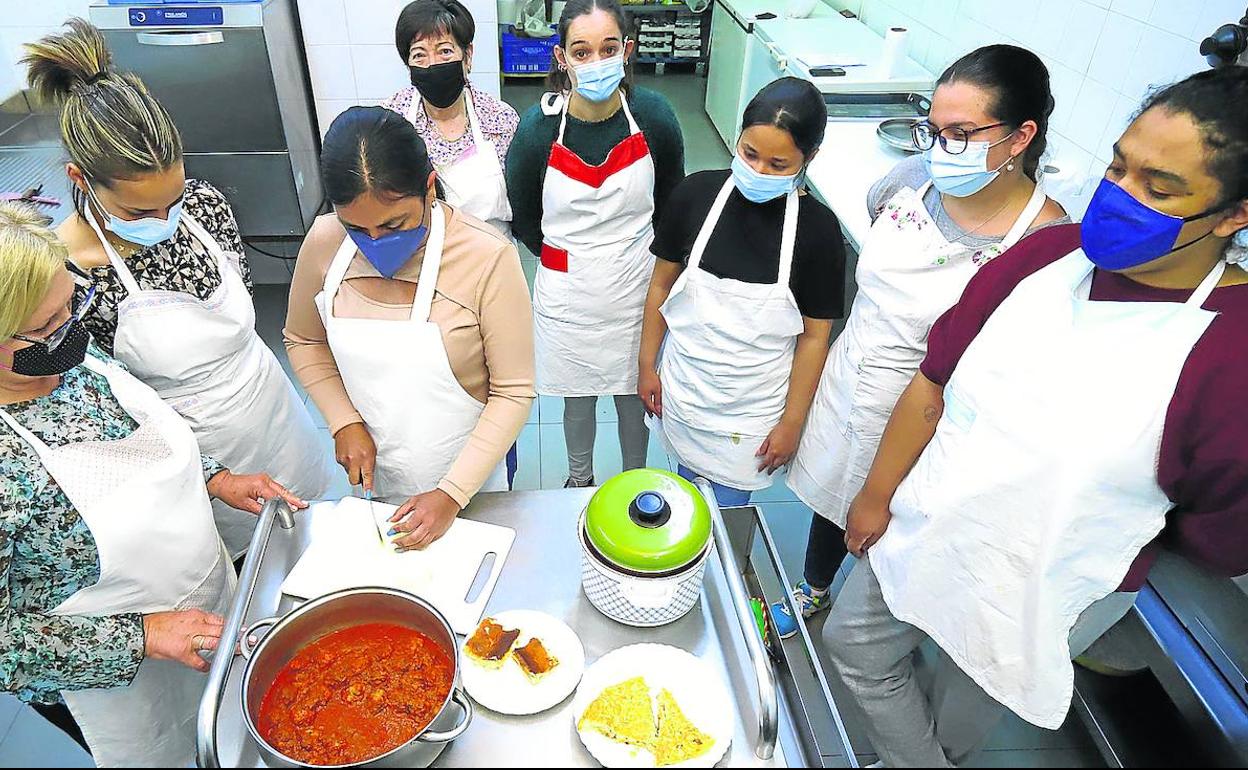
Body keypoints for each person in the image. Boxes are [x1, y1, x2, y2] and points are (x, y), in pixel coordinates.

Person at [823, 66, 1248, 768]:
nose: (1119, 196)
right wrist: (876, 495)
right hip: (931, 522)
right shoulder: (1048, 257)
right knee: (857, 648)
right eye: (1119, 166)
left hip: (1043, 581)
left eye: (1159, 187)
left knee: (967, 699)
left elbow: (1219, 536)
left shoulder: (1230, 351)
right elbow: (932, 384)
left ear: (1234, 214)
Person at [0, 202, 306, 767]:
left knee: (232, 731)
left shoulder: (71, 354)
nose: (68, 333)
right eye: (43, 328)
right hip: (118, 681)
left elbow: (146, 427)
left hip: (208, 599)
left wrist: (214, 476)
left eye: (71, 306)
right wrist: (139, 637)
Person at [778, 45, 1068, 633]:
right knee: (835, 496)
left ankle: (873, 618)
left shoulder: (1044, 240)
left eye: (960, 133)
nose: (941, 150)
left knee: (888, 524)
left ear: (1019, 138)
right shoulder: (913, 179)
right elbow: (875, 216)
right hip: (852, 371)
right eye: (933, 131)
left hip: (927, 414)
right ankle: (813, 589)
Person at [26, 19, 334, 559]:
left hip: (272, 414)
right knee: (236, 572)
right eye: (141, 211)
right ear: (81, 180)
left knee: (307, 543)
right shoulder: (65, 278)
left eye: (174, 197)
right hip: (192, 454)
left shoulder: (204, 206)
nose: (167, 218)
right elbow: (104, 404)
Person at [285, 107, 534, 551]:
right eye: (357, 229)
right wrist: (343, 421)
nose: (375, 241)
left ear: (430, 188)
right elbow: (303, 340)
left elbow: (513, 390)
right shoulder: (325, 243)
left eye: (394, 224)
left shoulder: (486, 258)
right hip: (379, 479)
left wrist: (451, 494)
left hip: (470, 480)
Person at [638, 77, 844, 505]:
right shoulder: (695, 195)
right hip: (686, 385)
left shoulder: (818, 231)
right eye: (749, 154)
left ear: (811, 159)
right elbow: (661, 283)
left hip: (751, 412)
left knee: (726, 517)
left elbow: (814, 337)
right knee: (682, 499)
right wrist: (646, 364)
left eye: (778, 164)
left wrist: (792, 421)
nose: (759, 171)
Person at [506, 0, 684, 487]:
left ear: (627, 51)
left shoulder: (654, 116)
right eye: (581, 52)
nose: (596, 62)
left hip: (636, 292)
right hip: (568, 298)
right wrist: (572, 261)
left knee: (635, 399)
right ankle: (578, 481)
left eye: (608, 49)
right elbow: (524, 216)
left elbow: (672, 205)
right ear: (562, 58)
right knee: (576, 397)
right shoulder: (537, 129)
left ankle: (633, 480)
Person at [382, 0, 518, 237]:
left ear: (468, 56)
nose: (432, 64)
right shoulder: (390, 119)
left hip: (490, 255)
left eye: (445, 51)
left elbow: (523, 200)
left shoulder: (500, 119)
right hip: (421, 258)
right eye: (419, 55)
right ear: (408, 65)